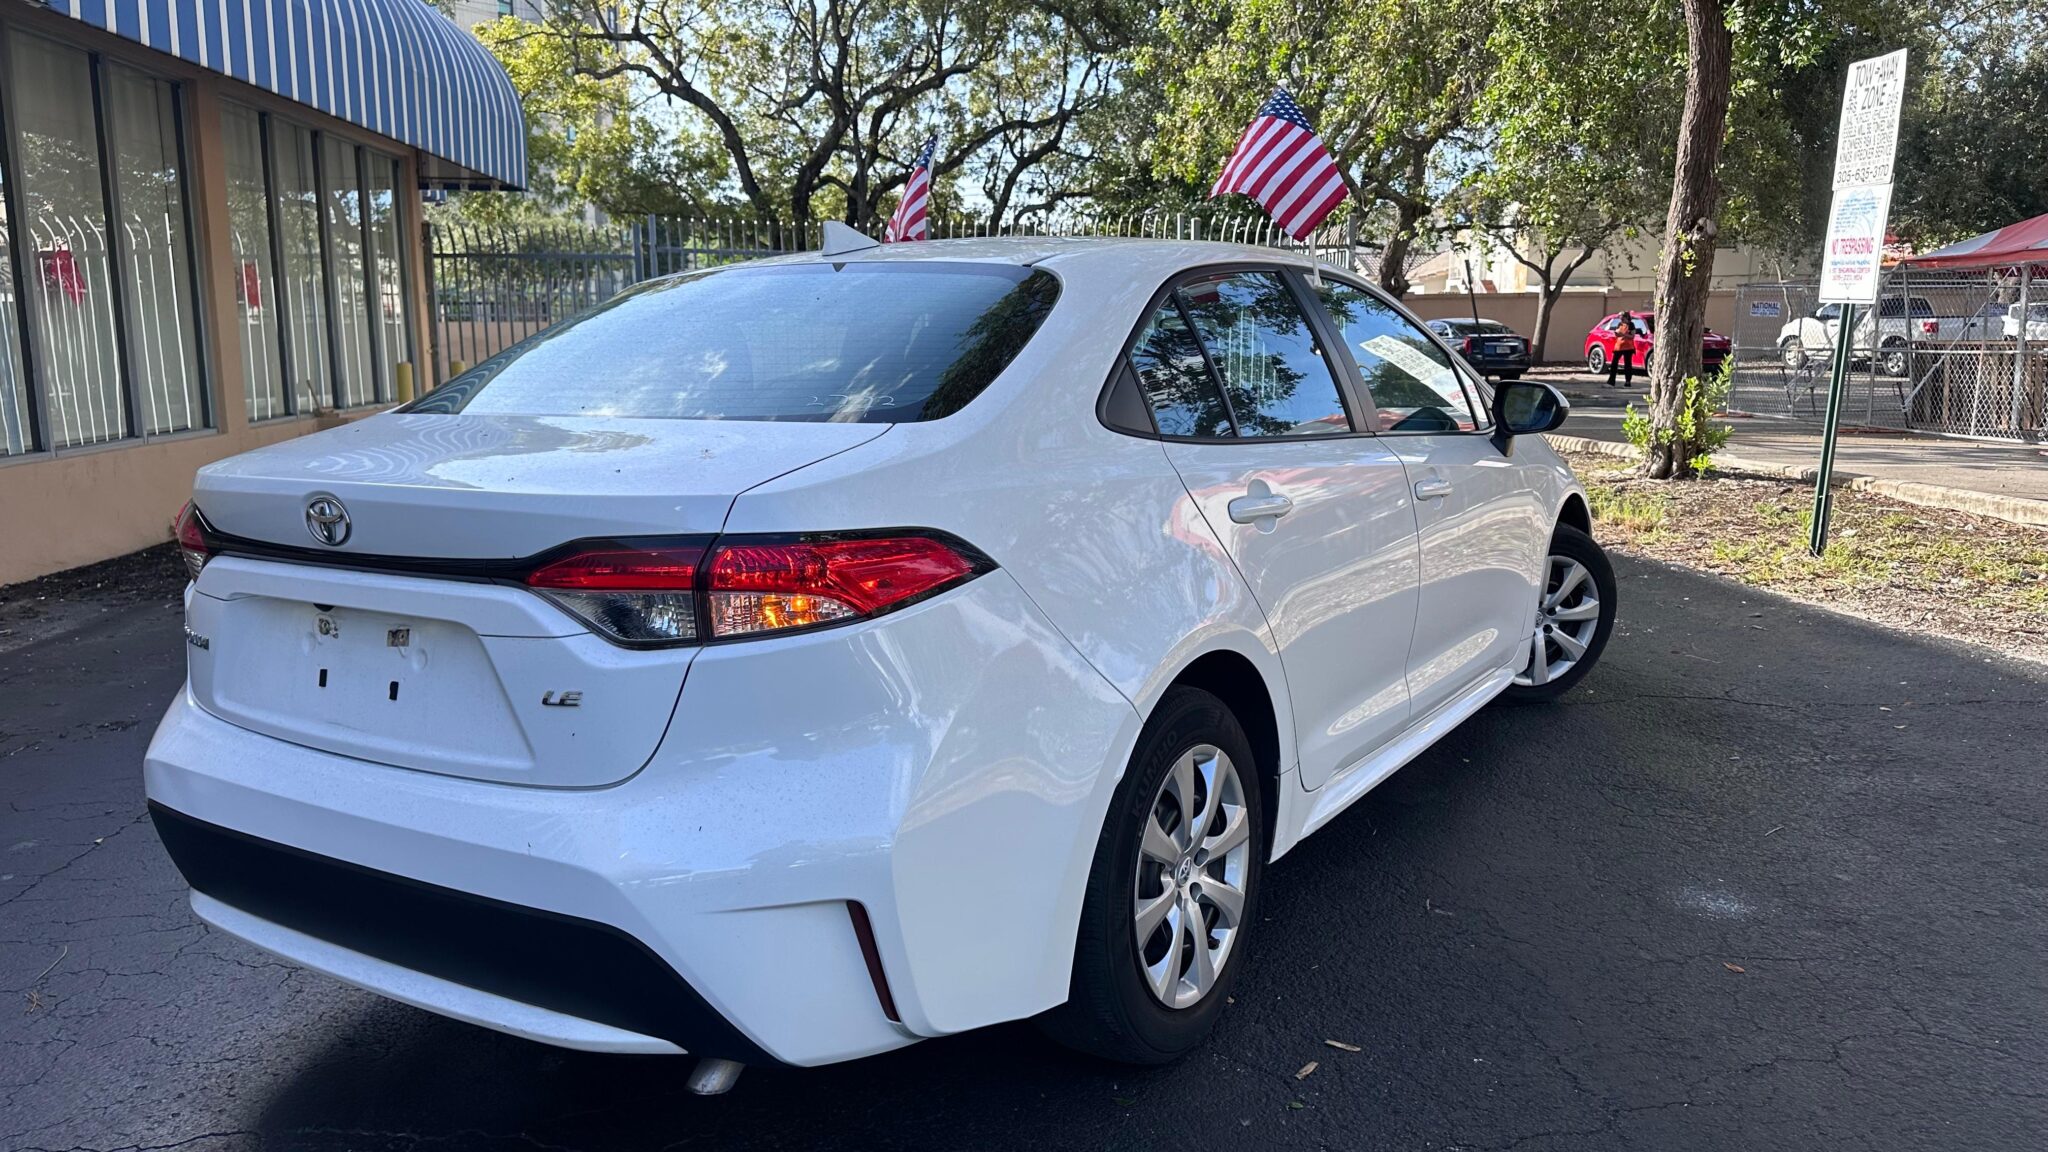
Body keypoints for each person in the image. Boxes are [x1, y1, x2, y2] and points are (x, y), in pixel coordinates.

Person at [1605, 313, 1639, 387]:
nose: (1621, 319)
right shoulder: (1619, 324)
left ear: (1627, 317)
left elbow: (1632, 336)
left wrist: (1623, 334)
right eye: (1621, 318)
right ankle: (1611, 381)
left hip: (1628, 347)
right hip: (1619, 347)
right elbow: (1617, 333)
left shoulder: (1631, 325)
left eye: (1622, 318)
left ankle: (1627, 381)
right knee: (1614, 363)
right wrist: (1617, 333)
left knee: (1627, 364)